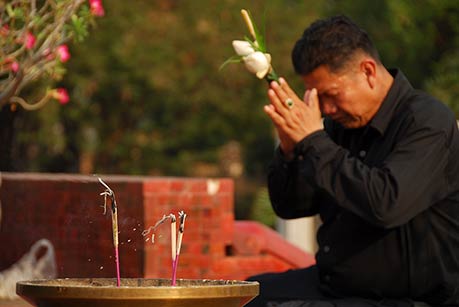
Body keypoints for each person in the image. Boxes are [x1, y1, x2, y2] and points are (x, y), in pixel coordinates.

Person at [246, 15, 459, 307]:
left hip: (407, 298)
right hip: (335, 286)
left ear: (368, 71)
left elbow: (386, 203)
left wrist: (313, 142)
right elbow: (291, 207)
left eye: (331, 95)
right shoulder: (337, 128)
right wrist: (290, 150)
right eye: (317, 98)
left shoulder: (426, 121)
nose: (326, 109)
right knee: (239, 296)